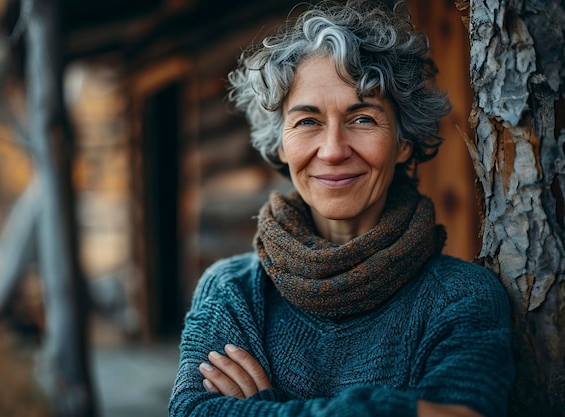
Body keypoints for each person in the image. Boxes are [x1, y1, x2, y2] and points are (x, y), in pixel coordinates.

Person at [168, 1, 515, 416]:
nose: (332, 151)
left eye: (363, 119)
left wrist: (265, 407)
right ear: (280, 143)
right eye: (307, 122)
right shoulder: (233, 290)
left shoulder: (460, 295)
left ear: (404, 142)